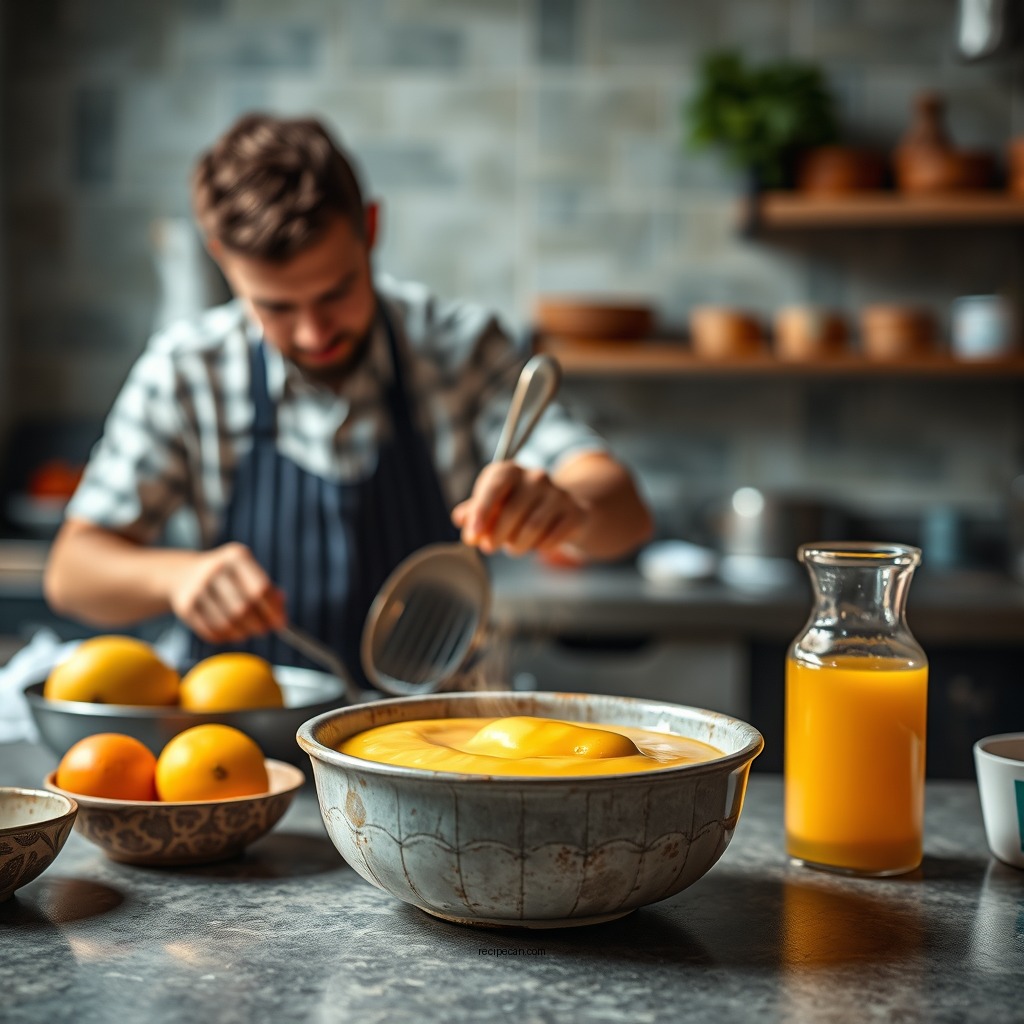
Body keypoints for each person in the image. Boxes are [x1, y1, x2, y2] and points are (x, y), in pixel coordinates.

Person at [43, 113, 653, 689]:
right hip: (246, 758)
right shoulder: (187, 370)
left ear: (370, 228)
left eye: (337, 291)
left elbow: (624, 514)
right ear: (221, 256)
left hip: (433, 740)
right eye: (277, 306)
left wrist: (566, 510)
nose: (314, 334)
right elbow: (73, 573)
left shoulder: (461, 348)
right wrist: (175, 577)